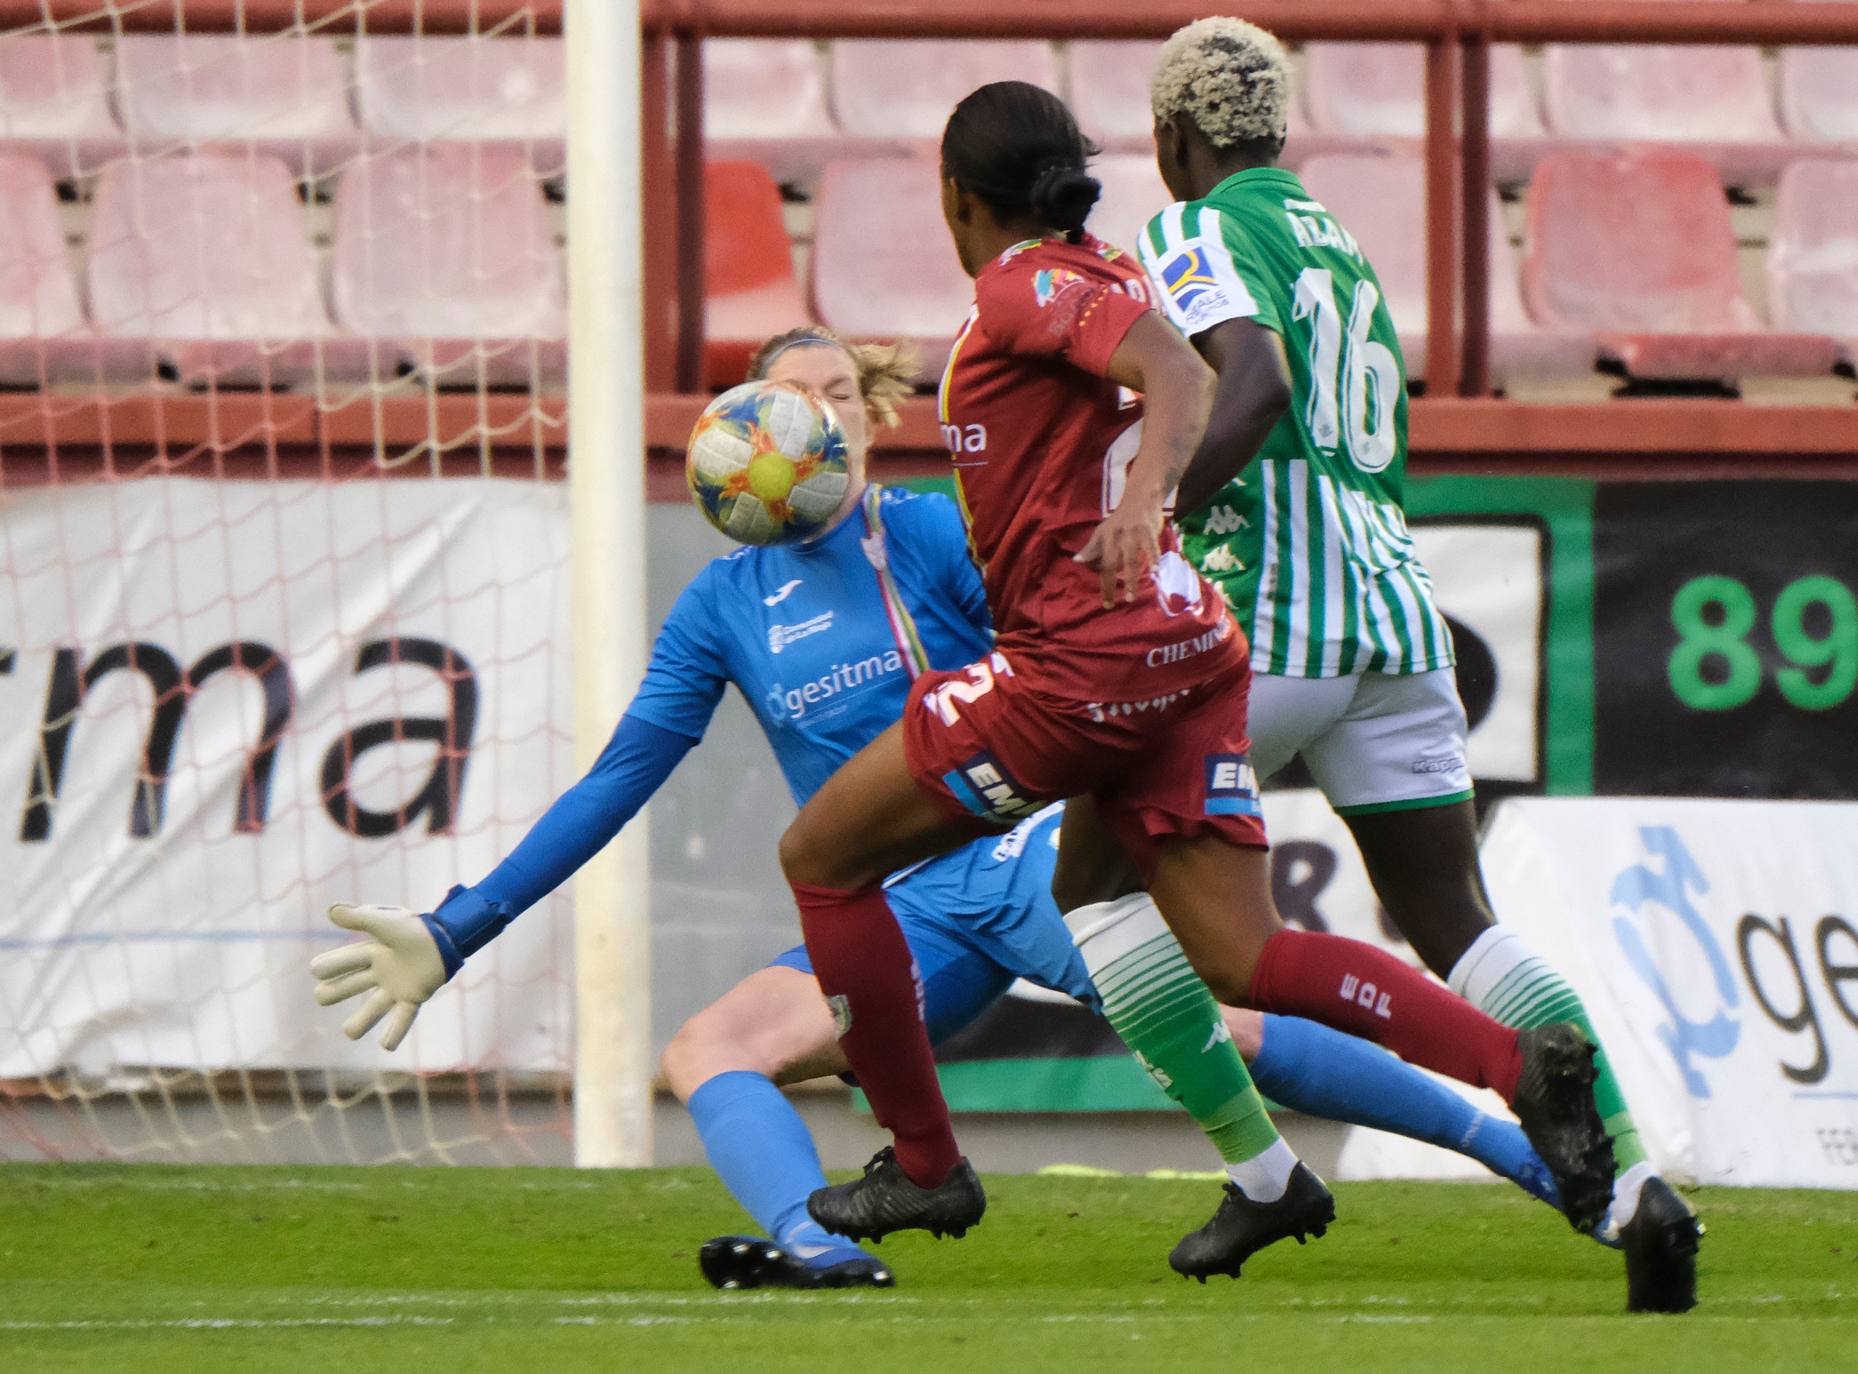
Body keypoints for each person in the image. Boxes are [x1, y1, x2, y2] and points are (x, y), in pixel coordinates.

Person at [307, 325, 1560, 1293]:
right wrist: (457, 928)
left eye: (841, 399)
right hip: (903, 917)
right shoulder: (723, 606)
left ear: (871, 418)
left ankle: (1530, 1150)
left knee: (1221, 1025)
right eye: (792, 404)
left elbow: (1076, 655)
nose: (818, 423)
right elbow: (619, 780)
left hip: (1018, 853)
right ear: (746, 429)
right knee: (708, 1048)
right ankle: (821, 1252)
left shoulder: (933, 535)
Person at [772, 80, 1613, 1279]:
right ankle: (1513, 1067)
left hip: (1079, 671)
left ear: (954, 198)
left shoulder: (1023, 281)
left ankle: (921, 1165)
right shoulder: (1104, 265)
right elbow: (1163, 369)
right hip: (1188, 653)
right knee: (1240, 954)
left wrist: (1141, 498)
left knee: (822, 857)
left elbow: (1189, 376)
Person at [1116, 16, 1702, 1313]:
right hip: (1394, 608)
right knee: (1457, 922)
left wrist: (1149, 514)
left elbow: (1253, 384)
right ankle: (1630, 1187)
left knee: (1095, 881)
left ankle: (1260, 1171)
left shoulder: (1190, 232)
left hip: (1267, 617)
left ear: (1172, 140)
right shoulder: (1338, 240)